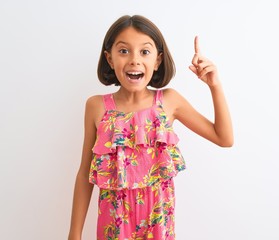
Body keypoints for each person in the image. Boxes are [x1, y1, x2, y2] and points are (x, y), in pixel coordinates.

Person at [68, 15, 233, 240]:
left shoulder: (169, 101)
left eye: (144, 52)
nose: (134, 60)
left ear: (157, 60)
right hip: (113, 229)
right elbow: (84, 173)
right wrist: (74, 234)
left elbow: (224, 138)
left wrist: (214, 85)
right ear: (109, 58)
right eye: (124, 51)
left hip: (159, 230)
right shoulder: (96, 106)